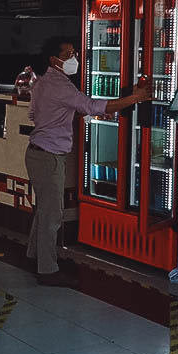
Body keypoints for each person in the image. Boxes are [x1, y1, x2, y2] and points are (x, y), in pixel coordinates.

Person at [25, 36, 151, 288]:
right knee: (52, 216)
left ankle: (34, 257)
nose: (75, 59)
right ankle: (47, 271)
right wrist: (135, 98)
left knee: (44, 211)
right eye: (69, 54)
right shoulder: (60, 86)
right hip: (49, 157)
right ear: (55, 59)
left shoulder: (43, 82)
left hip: (36, 152)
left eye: (75, 53)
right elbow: (92, 105)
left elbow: (36, 113)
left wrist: (77, 111)